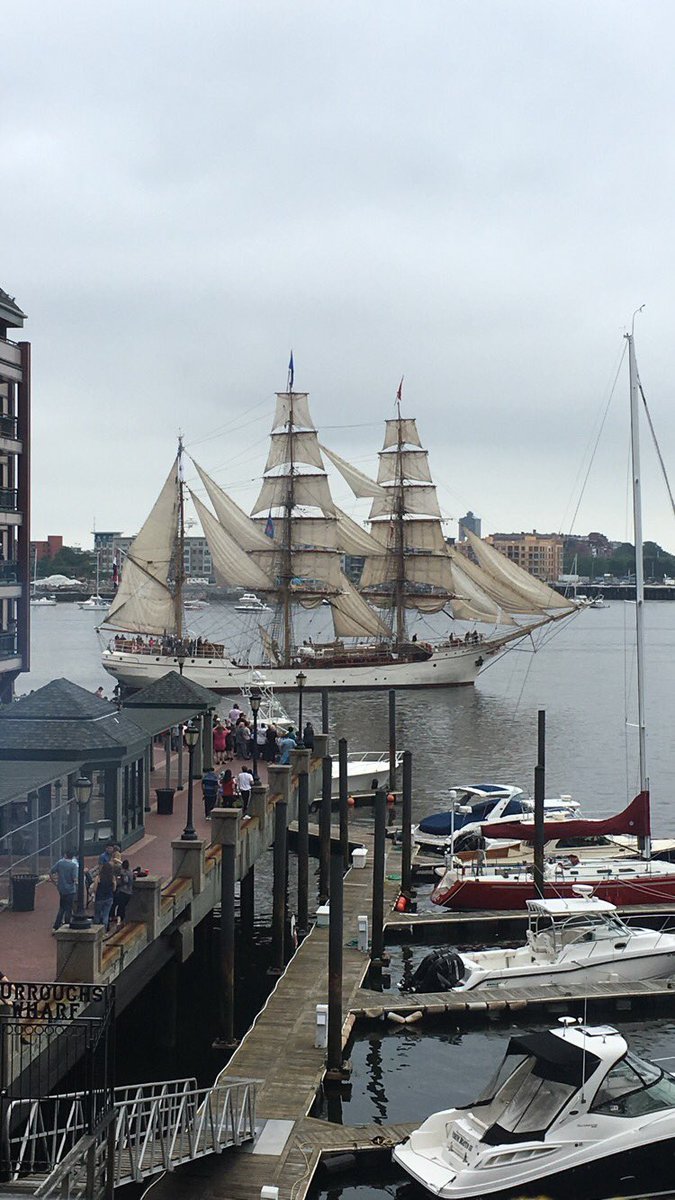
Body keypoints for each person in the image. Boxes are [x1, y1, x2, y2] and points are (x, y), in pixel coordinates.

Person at [50, 848, 78, 932]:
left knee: (62, 908)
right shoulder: (73, 866)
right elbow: (74, 878)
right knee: (69, 908)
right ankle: (67, 924)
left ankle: (56, 926)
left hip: (61, 888)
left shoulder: (60, 863)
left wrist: (54, 883)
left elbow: (51, 872)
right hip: (70, 889)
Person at [93, 861, 116, 930]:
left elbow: (95, 888)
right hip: (109, 897)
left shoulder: (99, 877)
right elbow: (114, 888)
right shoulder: (112, 877)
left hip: (99, 898)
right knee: (106, 915)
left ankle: (96, 929)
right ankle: (104, 930)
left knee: (97, 914)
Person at [111, 859, 134, 925]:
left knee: (119, 905)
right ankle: (121, 920)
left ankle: (118, 920)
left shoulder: (123, 872)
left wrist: (119, 881)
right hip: (129, 892)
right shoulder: (131, 872)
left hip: (123, 892)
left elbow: (124, 881)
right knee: (122, 906)